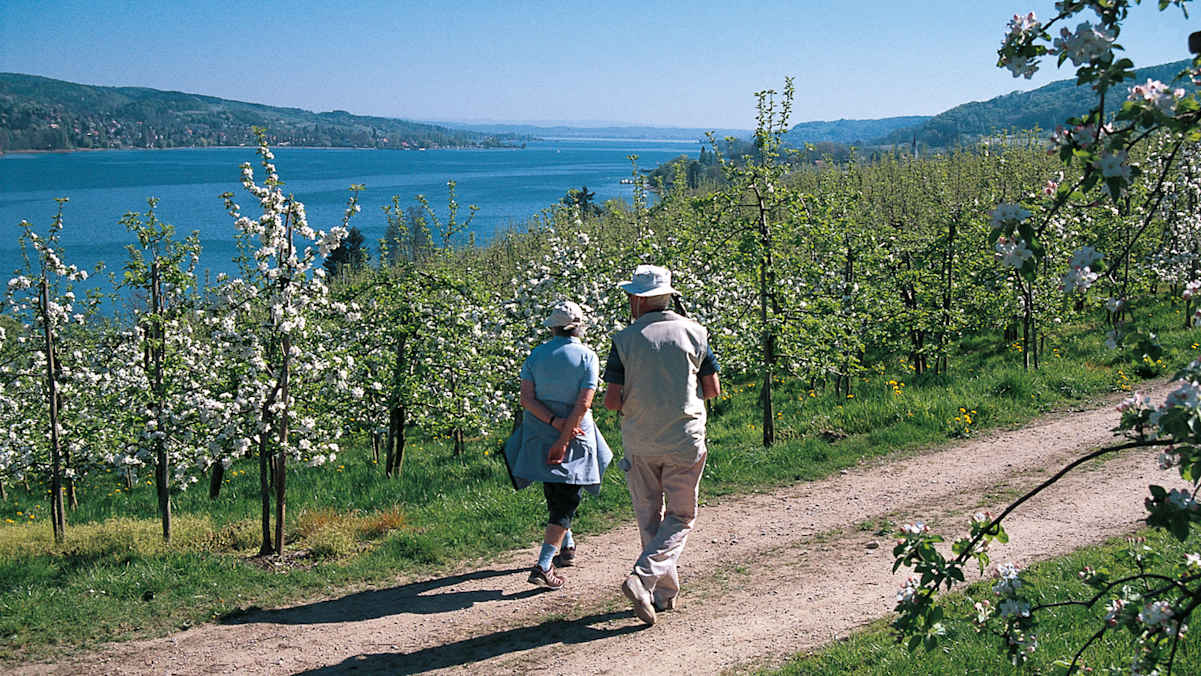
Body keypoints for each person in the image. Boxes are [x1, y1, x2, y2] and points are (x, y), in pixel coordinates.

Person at [603, 264, 721, 626]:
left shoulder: (623, 340)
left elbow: (611, 400)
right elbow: (712, 389)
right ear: (668, 295)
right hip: (684, 438)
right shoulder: (695, 333)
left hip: (640, 440)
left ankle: (659, 592)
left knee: (648, 515)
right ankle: (645, 580)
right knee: (681, 516)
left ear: (638, 300)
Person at [506, 299, 612, 589]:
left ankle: (567, 546)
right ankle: (543, 565)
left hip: (540, 432)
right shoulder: (588, 356)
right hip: (574, 435)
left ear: (552, 327)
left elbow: (527, 400)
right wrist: (564, 438)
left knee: (555, 491)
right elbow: (584, 403)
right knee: (567, 499)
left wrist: (553, 424)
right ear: (578, 327)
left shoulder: (536, 355)